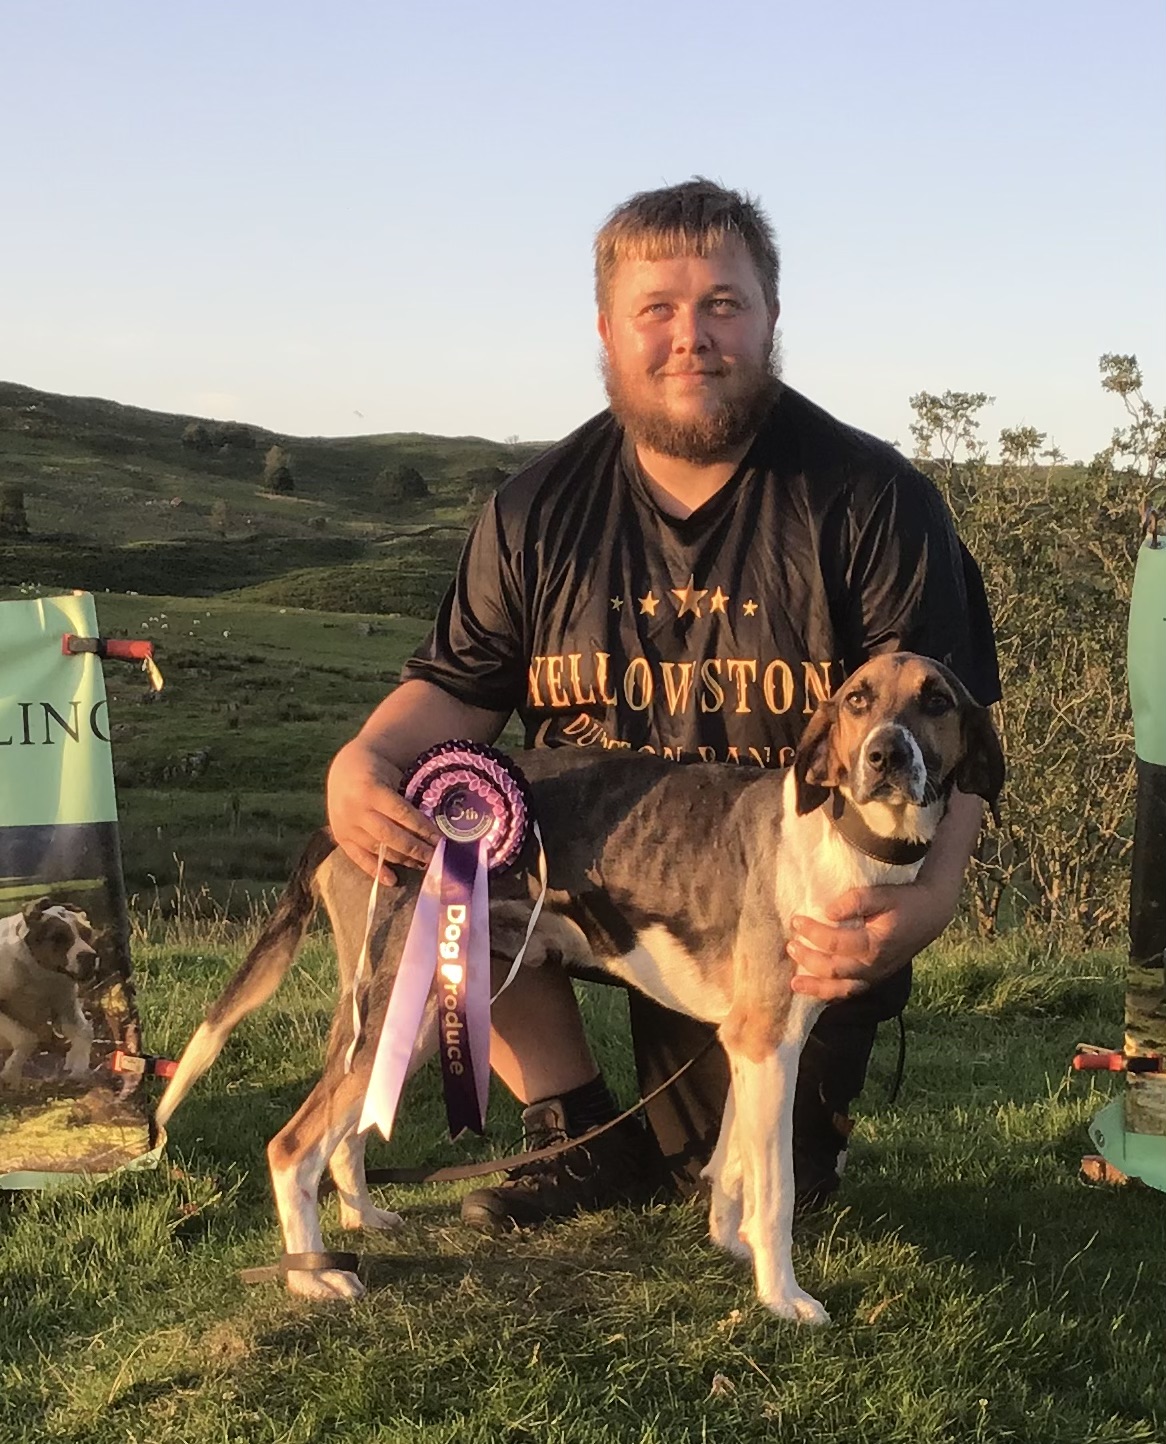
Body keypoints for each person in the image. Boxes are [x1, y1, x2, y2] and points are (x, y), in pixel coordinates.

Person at [326, 178, 1000, 1234]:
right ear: (607, 329)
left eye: (722, 304)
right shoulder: (533, 509)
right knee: (428, 836)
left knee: (738, 1174)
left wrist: (932, 899)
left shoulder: (874, 500)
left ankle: (699, 1129)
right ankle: (574, 1123)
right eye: (657, 308)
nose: (691, 337)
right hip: (584, 873)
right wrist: (359, 764)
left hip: (780, 900)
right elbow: (456, 688)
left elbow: (951, 730)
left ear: (770, 317)